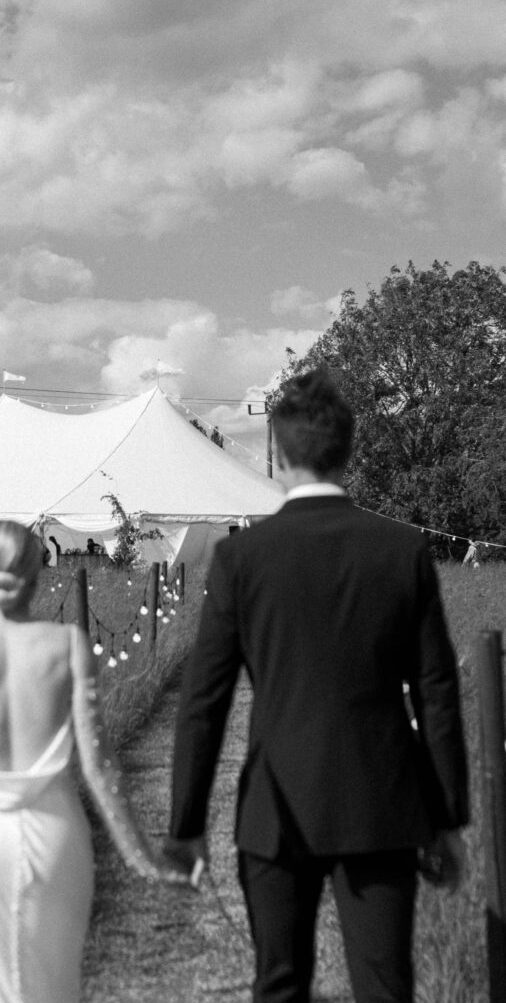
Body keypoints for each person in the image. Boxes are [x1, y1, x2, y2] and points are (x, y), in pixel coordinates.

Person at [165, 369, 469, 1003]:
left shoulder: (242, 559)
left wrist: (186, 825)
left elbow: (203, 702)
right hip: (383, 802)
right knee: (386, 989)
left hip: (276, 808)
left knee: (279, 987)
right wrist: (447, 819)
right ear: (349, 448)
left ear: (279, 452)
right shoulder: (400, 549)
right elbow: (435, 692)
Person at [0, 520, 186, 1003]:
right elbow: (100, 770)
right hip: (55, 841)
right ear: (37, 571)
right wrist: (140, 856)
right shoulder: (69, 647)